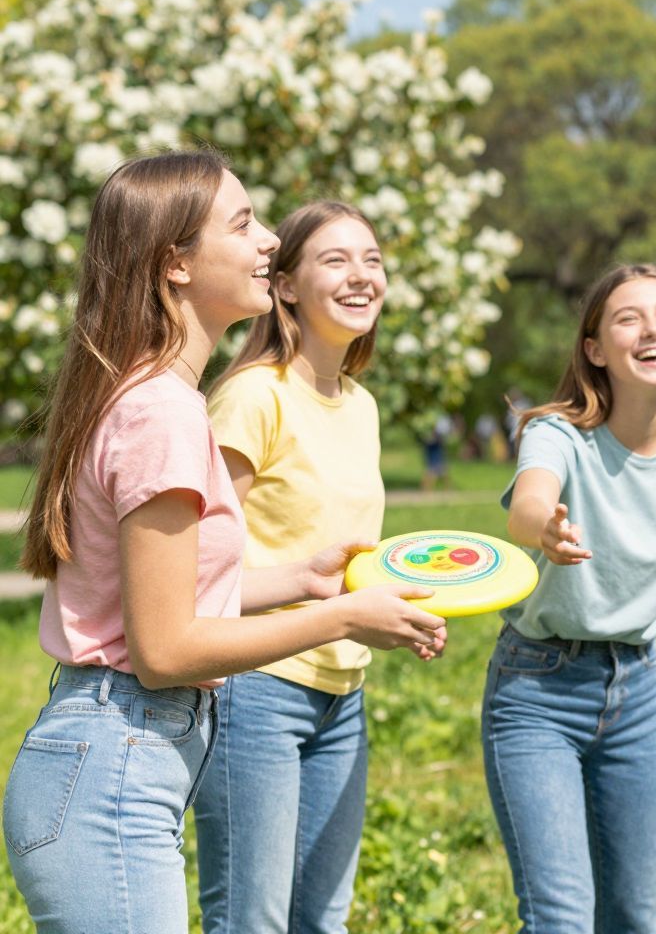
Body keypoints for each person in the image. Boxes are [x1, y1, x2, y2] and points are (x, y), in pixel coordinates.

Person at [3, 151, 445, 934]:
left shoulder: (156, 397)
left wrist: (304, 580)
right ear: (176, 264)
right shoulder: (163, 413)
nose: (270, 239)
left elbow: (170, 597)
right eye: (243, 224)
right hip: (112, 769)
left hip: (119, 760)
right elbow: (165, 649)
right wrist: (344, 618)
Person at [492, 263, 656, 934]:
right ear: (595, 349)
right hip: (538, 690)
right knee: (561, 920)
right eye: (630, 318)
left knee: (631, 917)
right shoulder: (558, 433)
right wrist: (545, 527)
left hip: (637, 696)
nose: (653, 329)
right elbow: (529, 504)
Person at [194, 201, 395, 933]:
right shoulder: (253, 396)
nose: (360, 275)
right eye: (335, 260)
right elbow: (195, 571)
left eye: (372, 259)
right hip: (256, 690)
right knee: (251, 921)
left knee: (321, 921)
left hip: (343, 691)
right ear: (284, 286)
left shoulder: (361, 405)